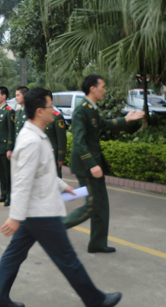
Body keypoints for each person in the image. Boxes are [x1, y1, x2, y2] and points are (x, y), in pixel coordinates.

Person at [0, 88, 122, 307]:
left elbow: (41, 172)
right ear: (40, 111)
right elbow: (22, 182)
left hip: (34, 211)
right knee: (67, 259)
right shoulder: (31, 140)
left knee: (13, 255)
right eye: (50, 106)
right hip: (41, 213)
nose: (54, 110)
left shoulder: (35, 134)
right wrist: (15, 216)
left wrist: (61, 186)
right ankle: (96, 301)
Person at [62, 75, 144, 253]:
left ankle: (97, 243)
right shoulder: (81, 109)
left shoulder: (91, 108)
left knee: (102, 204)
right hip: (87, 166)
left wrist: (126, 119)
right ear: (93, 88)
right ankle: (56, 227)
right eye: (103, 86)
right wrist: (91, 164)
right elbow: (78, 140)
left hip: (93, 164)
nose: (105, 90)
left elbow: (103, 124)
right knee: (92, 204)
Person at [0, 87, 15, 206]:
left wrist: (9, 148)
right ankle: (4, 194)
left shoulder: (9, 111)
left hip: (5, 148)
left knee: (8, 173)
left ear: (4, 96)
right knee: (1, 172)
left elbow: (11, 131)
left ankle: (10, 196)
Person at [45, 94, 67, 178]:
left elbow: (61, 138)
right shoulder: (40, 116)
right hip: (43, 154)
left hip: (53, 154)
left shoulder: (57, 117)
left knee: (55, 179)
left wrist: (61, 156)